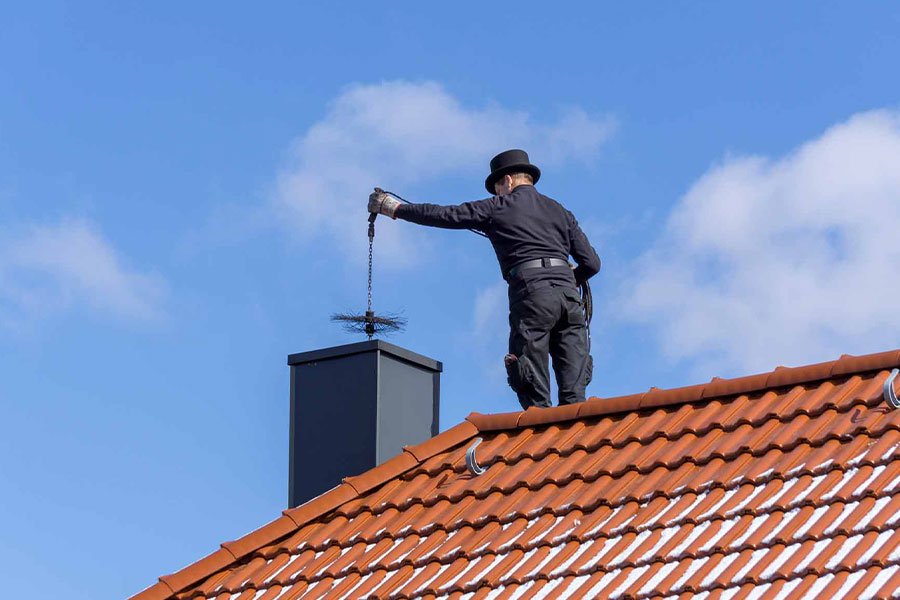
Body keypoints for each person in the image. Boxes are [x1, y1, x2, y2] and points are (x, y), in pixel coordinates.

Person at [368, 149, 601, 409]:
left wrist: (395, 208)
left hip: (533, 296)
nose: (497, 194)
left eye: (497, 188)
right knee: (575, 397)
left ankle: (542, 442)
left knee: (535, 393)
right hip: (570, 300)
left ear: (508, 181)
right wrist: (571, 277)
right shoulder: (560, 211)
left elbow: (446, 215)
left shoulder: (497, 207)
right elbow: (592, 263)